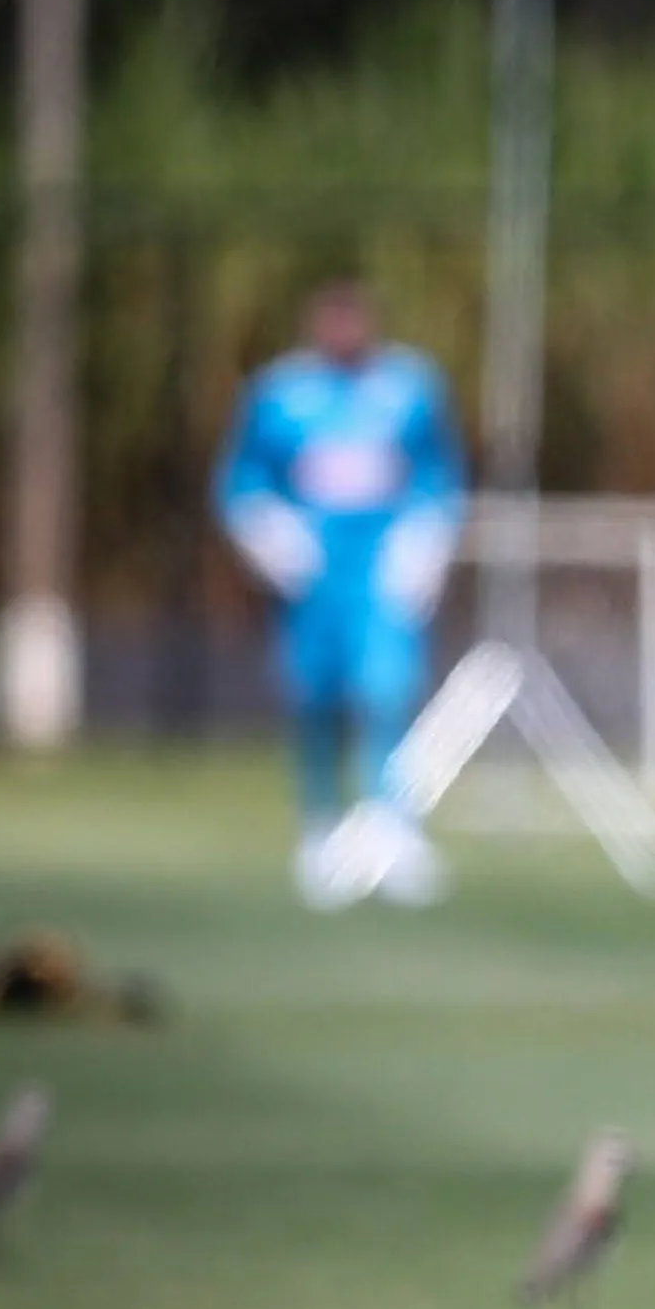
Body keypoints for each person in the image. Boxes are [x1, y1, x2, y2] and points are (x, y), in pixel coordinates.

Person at [215, 280, 466, 910]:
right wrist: (267, 532)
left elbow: (438, 472)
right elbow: (243, 478)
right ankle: (321, 827)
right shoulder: (280, 393)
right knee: (315, 700)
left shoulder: (410, 386)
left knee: (387, 694)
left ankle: (393, 828)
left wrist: (426, 539)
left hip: (381, 574)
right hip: (312, 578)